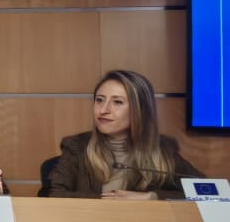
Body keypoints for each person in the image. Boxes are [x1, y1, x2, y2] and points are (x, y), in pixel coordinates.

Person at [46, 69, 204, 198]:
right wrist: (110, 203)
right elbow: (53, 195)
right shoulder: (77, 146)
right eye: (100, 100)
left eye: (117, 102)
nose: (103, 110)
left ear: (140, 110)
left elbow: (207, 191)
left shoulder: (162, 149)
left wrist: (152, 197)